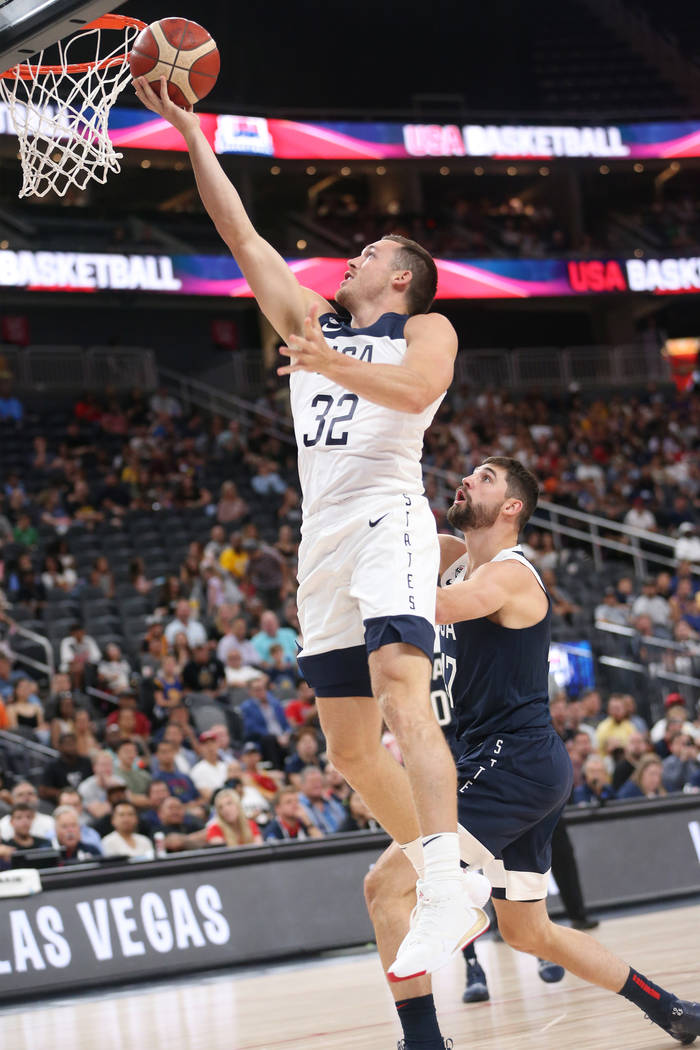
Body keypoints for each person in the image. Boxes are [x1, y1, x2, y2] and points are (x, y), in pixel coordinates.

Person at [134, 76, 466, 976]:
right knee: (352, 751)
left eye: (367, 251)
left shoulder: (425, 328)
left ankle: (441, 883)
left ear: (399, 276)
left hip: (389, 516)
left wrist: (330, 362)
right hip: (321, 545)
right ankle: (466, 872)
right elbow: (239, 230)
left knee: (401, 688)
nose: (348, 258)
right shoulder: (307, 320)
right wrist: (189, 131)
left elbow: (419, 392)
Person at [363, 457, 700, 1049]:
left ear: (513, 506)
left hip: (510, 760)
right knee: (529, 933)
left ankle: (422, 1042)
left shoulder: (511, 574)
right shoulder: (455, 556)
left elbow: (436, 607)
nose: (467, 480)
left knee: (386, 885)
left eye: (485, 477)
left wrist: (362, 595)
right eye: (469, 474)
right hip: (515, 762)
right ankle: (670, 1009)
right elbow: (401, 537)